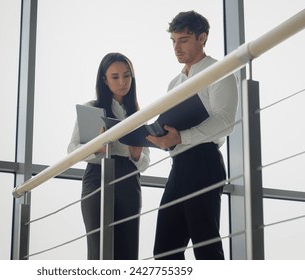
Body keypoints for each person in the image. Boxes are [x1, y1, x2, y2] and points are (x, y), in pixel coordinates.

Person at [146, 10, 238, 260]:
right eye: (174, 41)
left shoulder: (219, 71)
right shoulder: (173, 83)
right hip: (179, 165)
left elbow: (226, 121)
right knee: (165, 251)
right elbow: (173, 129)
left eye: (183, 40)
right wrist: (163, 139)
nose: (177, 47)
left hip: (204, 161)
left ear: (202, 38)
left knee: (205, 246)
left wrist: (181, 137)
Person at [68, 52, 150, 260]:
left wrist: (136, 154)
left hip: (129, 180)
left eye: (127, 76)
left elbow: (144, 161)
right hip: (98, 175)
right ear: (104, 80)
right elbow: (73, 149)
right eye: (115, 77)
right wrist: (98, 146)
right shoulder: (92, 108)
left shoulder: (138, 114)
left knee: (128, 250)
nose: (122, 82)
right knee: (99, 249)